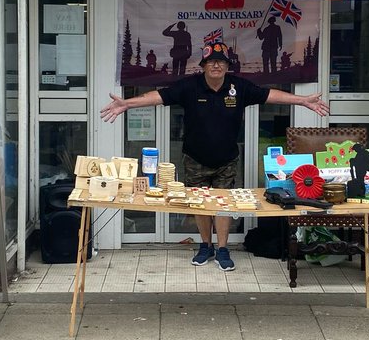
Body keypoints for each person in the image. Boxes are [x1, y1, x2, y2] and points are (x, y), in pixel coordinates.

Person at [101, 41, 329, 271]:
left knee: (223, 205)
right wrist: (127, 104)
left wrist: (302, 101)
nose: (216, 65)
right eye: (211, 61)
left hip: (227, 160)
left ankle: (222, 249)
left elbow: (270, 95)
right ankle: (205, 245)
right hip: (195, 158)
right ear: (203, 65)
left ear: (228, 66)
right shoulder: (190, 86)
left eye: (221, 61)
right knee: (200, 204)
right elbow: (157, 97)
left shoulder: (238, 87)